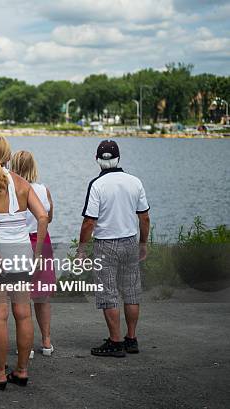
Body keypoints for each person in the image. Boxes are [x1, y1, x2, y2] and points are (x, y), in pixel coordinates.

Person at [0, 136, 48, 390]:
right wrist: (37, 253)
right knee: (22, 313)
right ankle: (21, 370)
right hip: (21, 251)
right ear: (9, 156)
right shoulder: (23, 183)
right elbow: (42, 216)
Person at [77, 140, 150, 358]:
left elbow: (89, 222)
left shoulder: (97, 185)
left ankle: (115, 342)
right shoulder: (135, 182)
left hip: (106, 245)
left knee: (108, 293)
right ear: (119, 158)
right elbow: (144, 217)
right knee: (131, 292)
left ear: (97, 160)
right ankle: (131, 338)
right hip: (129, 241)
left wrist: (81, 249)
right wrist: (143, 243)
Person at [10, 150, 55, 357]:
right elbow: (48, 217)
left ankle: (25, 346)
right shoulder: (43, 190)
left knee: (22, 296)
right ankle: (46, 341)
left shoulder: (12, 190)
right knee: (42, 296)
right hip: (42, 241)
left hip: (20, 242)